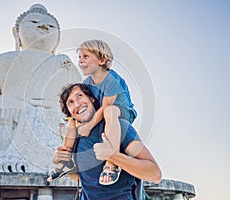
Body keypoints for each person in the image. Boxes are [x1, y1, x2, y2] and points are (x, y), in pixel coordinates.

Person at [47, 40, 137, 185]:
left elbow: (105, 106)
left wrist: (89, 126)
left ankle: (112, 162)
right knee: (72, 121)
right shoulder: (88, 81)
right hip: (102, 113)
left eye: (86, 56)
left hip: (121, 112)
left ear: (102, 60)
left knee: (109, 110)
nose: (81, 61)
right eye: (80, 57)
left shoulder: (111, 79)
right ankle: (66, 160)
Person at [52, 83, 161, 199]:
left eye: (80, 96)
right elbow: (85, 179)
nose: (77, 104)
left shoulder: (117, 127)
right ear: (69, 112)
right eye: (71, 102)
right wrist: (61, 162)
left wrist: (113, 156)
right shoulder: (76, 139)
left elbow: (155, 174)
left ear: (92, 99)